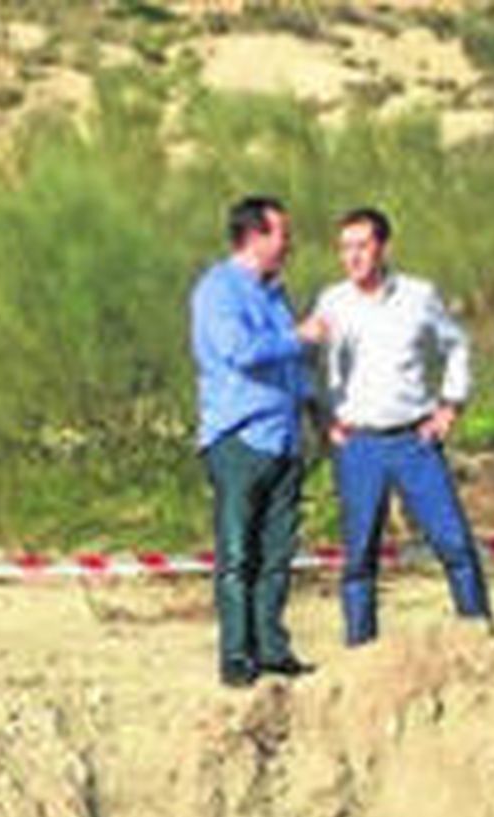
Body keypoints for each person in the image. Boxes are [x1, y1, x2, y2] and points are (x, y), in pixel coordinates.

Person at [307, 207, 492, 647]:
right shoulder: (331, 303)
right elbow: (307, 364)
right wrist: (321, 419)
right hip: (358, 444)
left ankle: (479, 637)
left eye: (361, 246)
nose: (352, 257)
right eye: (345, 248)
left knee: (454, 544)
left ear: (382, 247)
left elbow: (457, 345)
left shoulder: (417, 295)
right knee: (359, 557)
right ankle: (361, 653)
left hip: (414, 439)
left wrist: (450, 405)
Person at [189, 195, 318, 687]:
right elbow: (238, 351)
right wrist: (300, 337)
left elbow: (291, 362)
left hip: (283, 439)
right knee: (238, 553)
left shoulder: (275, 294)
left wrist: (316, 409)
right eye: (282, 234)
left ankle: (272, 647)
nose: (289, 244)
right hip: (239, 439)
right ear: (255, 236)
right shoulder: (217, 291)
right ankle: (236, 654)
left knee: (278, 553)